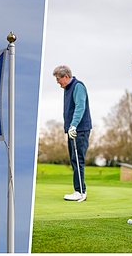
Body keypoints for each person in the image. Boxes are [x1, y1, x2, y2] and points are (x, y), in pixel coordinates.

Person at [53, 65, 92, 202]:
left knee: (78, 159)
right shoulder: (67, 88)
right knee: (74, 160)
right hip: (73, 130)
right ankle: (78, 189)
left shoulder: (78, 86)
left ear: (66, 77)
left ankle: (81, 192)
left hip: (79, 129)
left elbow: (80, 107)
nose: (58, 82)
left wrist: (74, 125)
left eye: (59, 79)